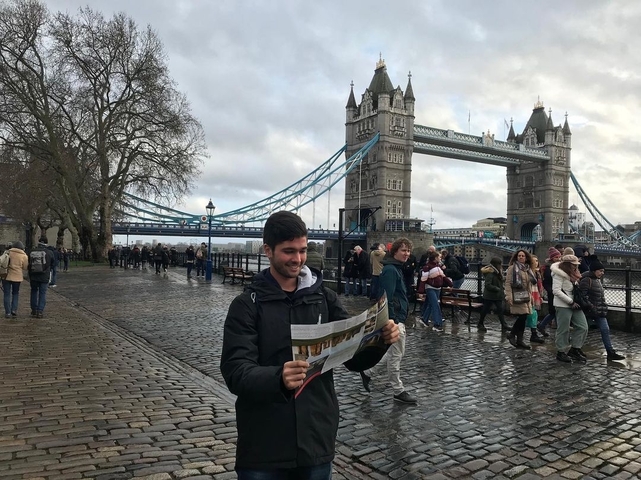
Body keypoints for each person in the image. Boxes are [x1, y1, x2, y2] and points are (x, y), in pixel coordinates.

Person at [220, 211, 399, 478]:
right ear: (267, 250)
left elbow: (352, 359)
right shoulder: (246, 306)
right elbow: (235, 371)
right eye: (289, 251)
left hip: (316, 438)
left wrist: (380, 340)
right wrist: (277, 377)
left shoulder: (325, 299)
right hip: (264, 444)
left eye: (302, 250)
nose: (298, 259)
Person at [361, 237, 418, 404]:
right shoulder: (391, 270)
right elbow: (387, 296)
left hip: (398, 317)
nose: (407, 254)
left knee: (393, 352)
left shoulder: (396, 268)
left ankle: (368, 372)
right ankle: (398, 390)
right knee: (397, 355)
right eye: (403, 250)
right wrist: (392, 319)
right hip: (395, 320)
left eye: (408, 251)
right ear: (395, 252)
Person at [578, 258, 625, 361]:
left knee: (605, 329)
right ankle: (575, 349)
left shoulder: (597, 280)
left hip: (599, 311)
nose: (602, 273)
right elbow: (582, 296)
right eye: (600, 271)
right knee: (582, 331)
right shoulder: (587, 280)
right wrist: (591, 306)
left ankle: (610, 352)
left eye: (603, 271)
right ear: (594, 271)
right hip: (589, 310)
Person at [551, 253, 589, 363]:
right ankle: (561, 351)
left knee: (583, 326)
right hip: (563, 304)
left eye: (576, 264)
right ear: (567, 265)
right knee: (563, 329)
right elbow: (556, 291)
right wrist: (570, 301)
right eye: (573, 265)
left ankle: (575, 348)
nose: (575, 266)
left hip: (575, 303)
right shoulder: (558, 274)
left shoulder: (574, 274)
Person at [504, 249, 537, 349]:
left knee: (524, 317)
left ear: (526, 258)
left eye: (523, 256)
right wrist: (508, 296)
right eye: (519, 256)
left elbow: (529, 285)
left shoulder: (528, 269)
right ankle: (512, 334)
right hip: (517, 295)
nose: (521, 257)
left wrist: (531, 296)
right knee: (522, 316)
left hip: (526, 296)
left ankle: (519, 340)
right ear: (516, 257)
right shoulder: (512, 268)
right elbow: (508, 283)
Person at [418, 251, 450, 332]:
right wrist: (421, 292)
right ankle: (437, 324)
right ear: (435, 258)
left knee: (431, 304)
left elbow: (443, 276)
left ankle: (424, 319)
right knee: (436, 305)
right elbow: (423, 280)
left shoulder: (438, 266)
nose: (440, 258)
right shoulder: (427, 267)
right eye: (439, 257)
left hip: (437, 288)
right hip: (430, 288)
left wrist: (450, 283)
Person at [477, 257, 508, 332]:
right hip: (490, 296)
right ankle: (480, 323)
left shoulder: (497, 271)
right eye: (500, 264)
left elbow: (499, 280)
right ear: (496, 264)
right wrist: (497, 289)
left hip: (497, 295)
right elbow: (488, 284)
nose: (501, 265)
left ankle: (504, 325)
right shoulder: (490, 272)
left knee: (500, 309)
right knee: (486, 309)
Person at [538, 247, 562, 337]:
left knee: (555, 312)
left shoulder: (559, 267)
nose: (558, 259)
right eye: (556, 257)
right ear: (552, 258)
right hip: (553, 293)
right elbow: (546, 282)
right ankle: (561, 332)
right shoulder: (549, 269)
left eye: (559, 257)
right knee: (554, 312)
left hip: (558, 292)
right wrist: (551, 291)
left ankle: (542, 325)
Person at [28, 237, 54, 318]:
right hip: (44, 275)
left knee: (34, 292)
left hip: (34, 275)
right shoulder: (49, 252)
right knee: (42, 293)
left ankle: (34, 310)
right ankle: (40, 311)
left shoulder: (32, 251)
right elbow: (53, 264)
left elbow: (28, 263)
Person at [2, 241, 29, 318]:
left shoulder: (7, 253)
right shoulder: (24, 256)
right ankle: (13, 309)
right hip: (17, 277)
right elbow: (25, 267)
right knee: (15, 293)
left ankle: (7, 312)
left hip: (6, 276)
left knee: (7, 294)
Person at [527, 255, 545, 344]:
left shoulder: (538, 273)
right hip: (530, 294)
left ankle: (533, 334)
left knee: (534, 314)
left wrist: (541, 296)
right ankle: (533, 333)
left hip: (536, 294)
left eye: (537, 261)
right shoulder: (528, 272)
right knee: (529, 315)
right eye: (533, 261)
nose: (536, 263)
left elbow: (540, 286)